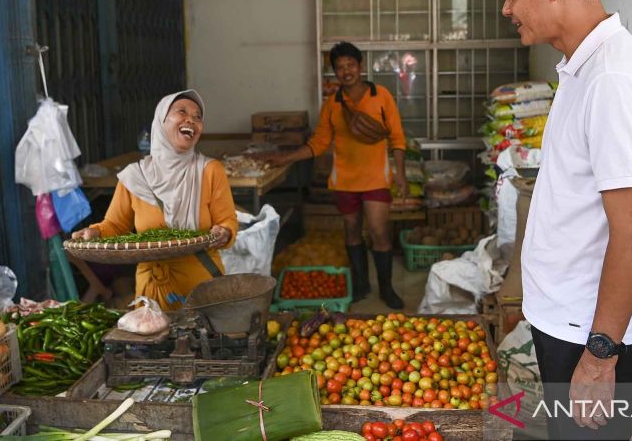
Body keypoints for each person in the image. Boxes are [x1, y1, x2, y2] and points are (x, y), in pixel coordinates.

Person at [500, 0, 632, 439]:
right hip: (571, 323)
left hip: (590, 336)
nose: (506, 9)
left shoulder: (613, 79)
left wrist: (599, 358)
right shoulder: (583, 67)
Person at [271, 41, 408, 309]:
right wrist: (285, 157)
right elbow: (319, 143)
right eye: (340, 67)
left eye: (351, 65)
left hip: (376, 179)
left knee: (380, 233)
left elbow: (397, 137)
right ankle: (361, 285)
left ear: (360, 66)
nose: (346, 71)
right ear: (335, 72)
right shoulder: (332, 105)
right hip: (344, 181)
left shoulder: (380, 96)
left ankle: (387, 289)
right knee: (352, 231)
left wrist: (400, 174)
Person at [72, 90, 238, 311]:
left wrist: (224, 232)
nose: (191, 119)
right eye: (182, 112)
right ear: (161, 121)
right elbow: (115, 225)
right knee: (154, 341)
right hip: (152, 290)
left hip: (201, 286)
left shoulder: (209, 171)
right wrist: (95, 232)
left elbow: (227, 219)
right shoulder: (135, 176)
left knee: (203, 342)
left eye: (198, 117)